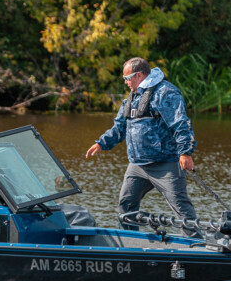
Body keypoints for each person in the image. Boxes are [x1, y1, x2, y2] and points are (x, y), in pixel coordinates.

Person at [84, 57, 199, 236]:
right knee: (126, 205)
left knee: (180, 206)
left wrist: (185, 152)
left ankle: (196, 245)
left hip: (165, 164)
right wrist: (102, 143)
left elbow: (180, 123)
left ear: (138, 75)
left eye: (127, 78)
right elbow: (120, 127)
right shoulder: (133, 97)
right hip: (137, 165)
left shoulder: (165, 92)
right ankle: (131, 241)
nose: (126, 82)